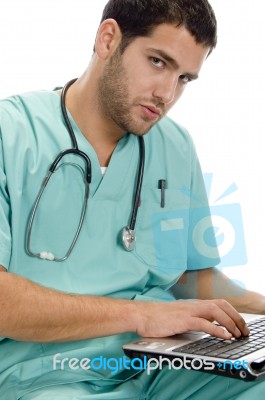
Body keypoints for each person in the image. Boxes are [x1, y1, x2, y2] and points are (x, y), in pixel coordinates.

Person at [0, 0, 264, 399]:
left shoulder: (174, 144)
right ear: (108, 39)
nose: (167, 94)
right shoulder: (11, 133)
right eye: (158, 62)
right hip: (51, 374)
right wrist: (143, 315)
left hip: (166, 365)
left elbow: (192, 277)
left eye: (185, 79)